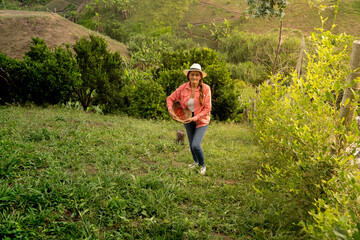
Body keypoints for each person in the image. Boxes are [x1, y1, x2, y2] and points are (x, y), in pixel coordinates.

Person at [166, 63, 211, 175]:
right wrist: (171, 111)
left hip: (201, 120)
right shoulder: (183, 88)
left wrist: (195, 118)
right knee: (191, 144)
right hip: (187, 119)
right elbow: (170, 98)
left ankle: (202, 165)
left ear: (200, 77)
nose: (194, 77)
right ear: (188, 76)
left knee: (196, 145)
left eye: (197, 75)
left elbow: (207, 108)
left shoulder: (206, 89)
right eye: (192, 75)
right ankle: (195, 162)